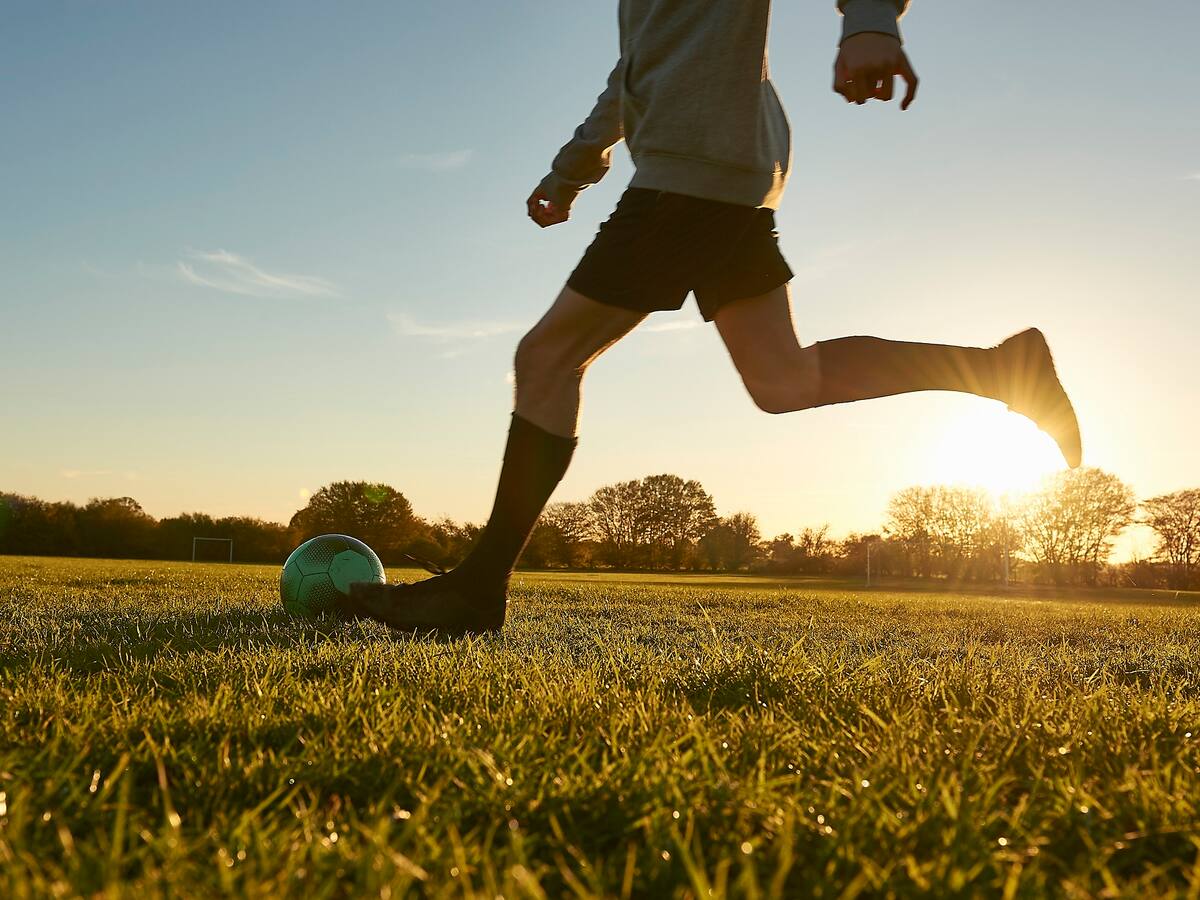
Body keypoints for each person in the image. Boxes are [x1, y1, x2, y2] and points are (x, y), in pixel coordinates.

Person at [342, 0, 1081, 633]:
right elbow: (636, 68)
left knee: (547, 358)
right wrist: (571, 171)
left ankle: (476, 589)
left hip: (693, 171)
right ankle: (998, 369)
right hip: (719, 170)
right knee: (783, 381)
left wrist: (870, 21)